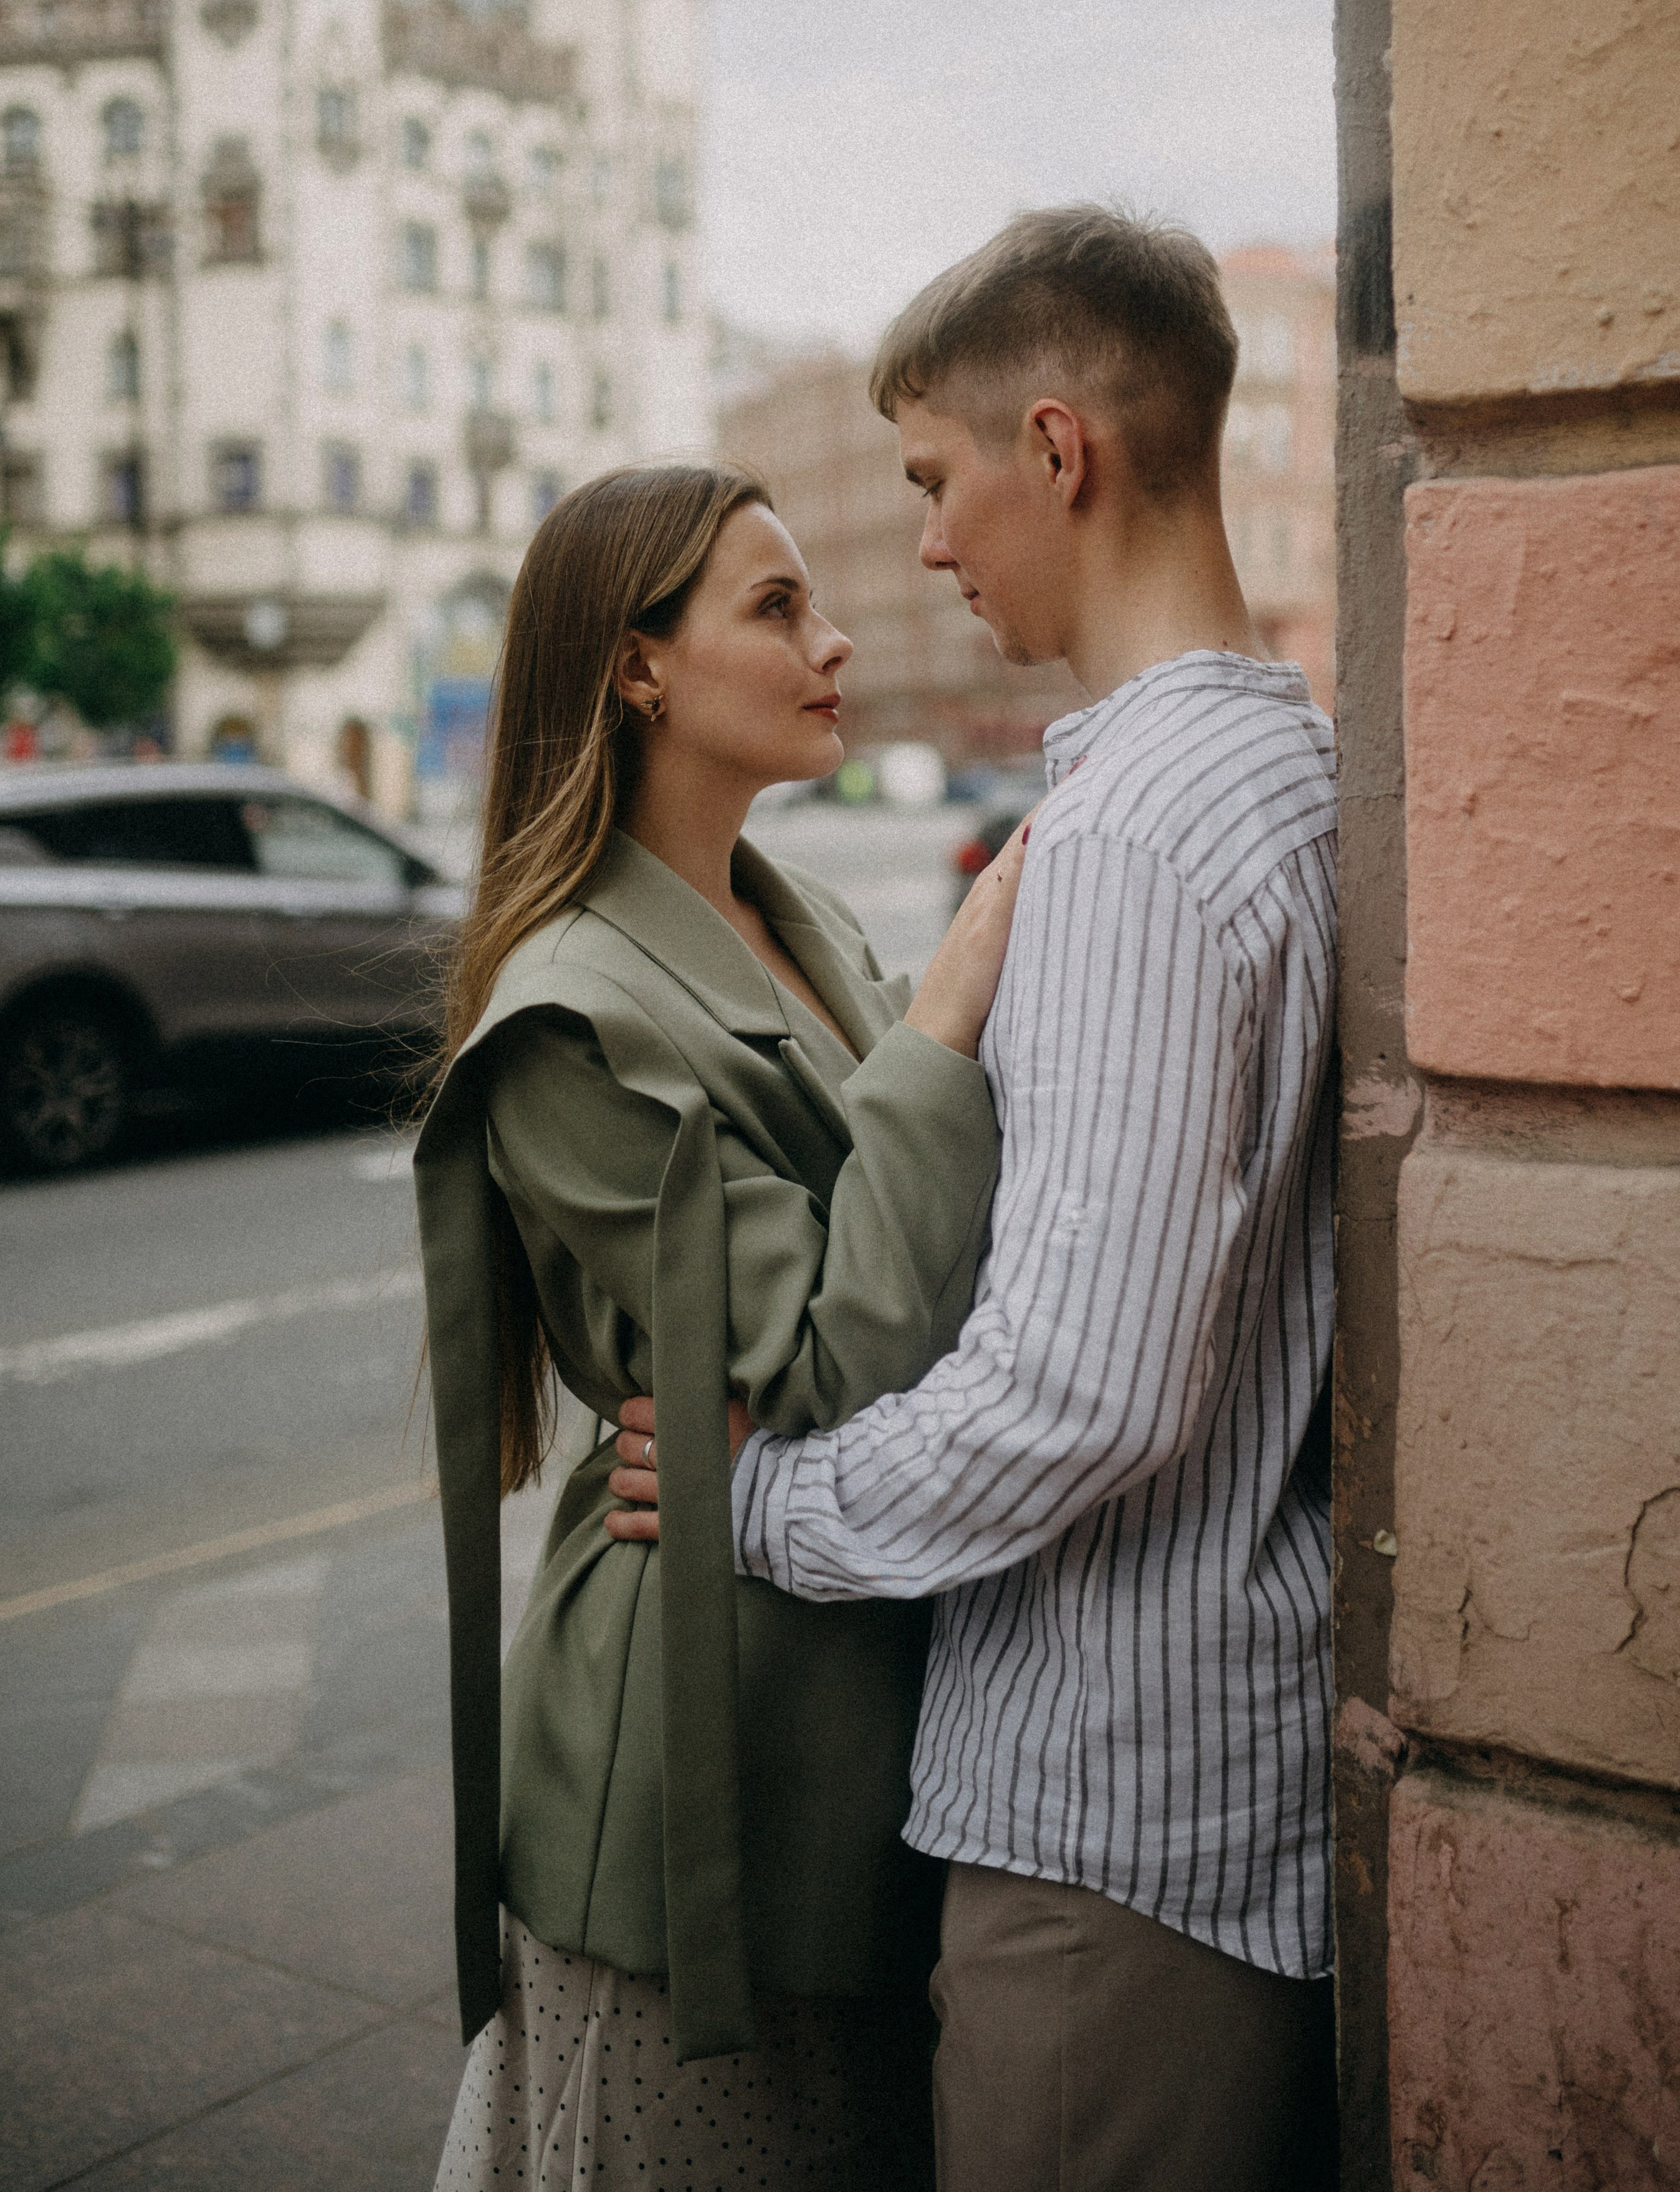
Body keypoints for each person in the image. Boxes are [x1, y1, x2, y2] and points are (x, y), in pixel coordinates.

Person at [611, 207, 1341, 2192]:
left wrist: (769, 1510)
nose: (923, 544)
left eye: (934, 480)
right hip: (1211, 1770)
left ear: (1057, 449)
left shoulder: (1129, 840)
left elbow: (1076, 1395)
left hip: (1112, 1821)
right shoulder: (1293, 768)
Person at [414, 463, 1029, 2191]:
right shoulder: (564, 1019)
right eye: (774, 607)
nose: (832, 640)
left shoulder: (798, 914)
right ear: (637, 671)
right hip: (698, 1761)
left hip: (845, 1700)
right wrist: (957, 1004)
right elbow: (837, 1347)